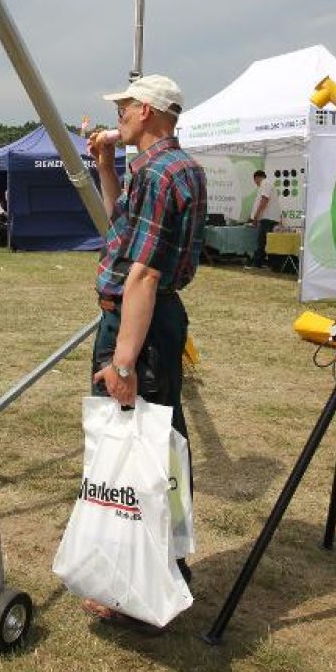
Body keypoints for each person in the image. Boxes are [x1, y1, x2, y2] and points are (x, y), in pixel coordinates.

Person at [84, 74, 207, 628]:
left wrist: (124, 362)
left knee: (141, 450)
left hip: (140, 323)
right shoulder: (164, 169)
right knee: (161, 442)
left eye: (127, 106)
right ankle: (167, 567)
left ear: (152, 111)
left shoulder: (159, 172)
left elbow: (144, 273)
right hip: (150, 320)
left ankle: (140, 582)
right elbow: (123, 230)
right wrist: (106, 167)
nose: (120, 115)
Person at [246, 170, 282, 269]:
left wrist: (256, 217)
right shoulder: (267, 184)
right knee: (268, 242)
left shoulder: (265, 184)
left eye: (255, 181)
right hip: (270, 218)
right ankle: (270, 264)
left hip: (267, 218)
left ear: (256, 178)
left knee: (262, 242)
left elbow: (264, 201)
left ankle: (257, 264)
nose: (256, 183)